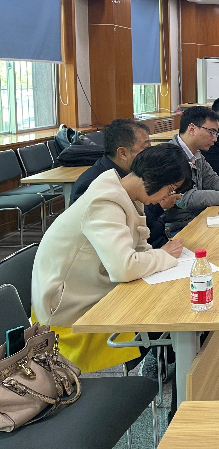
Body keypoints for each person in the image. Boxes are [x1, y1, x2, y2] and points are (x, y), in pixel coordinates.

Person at [30, 144, 191, 372]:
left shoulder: (127, 195)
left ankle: (169, 363)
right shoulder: (105, 202)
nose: (169, 196)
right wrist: (163, 255)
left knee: (170, 298)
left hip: (89, 283)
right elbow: (124, 267)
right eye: (170, 188)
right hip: (66, 304)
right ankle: (161, 364)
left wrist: (159, 256)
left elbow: (139, 248)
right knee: (168, 309)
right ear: (155, 178)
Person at [70, 119, 179, 248]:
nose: (150, 155)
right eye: (145, 149)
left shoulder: (132, 174)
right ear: (122, 153)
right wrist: (160, 205)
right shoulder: (94, 183)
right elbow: (112, 245)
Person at [164, 105, 219, 229]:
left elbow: (212, 180)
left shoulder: (196, 153)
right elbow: (186, 198)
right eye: (211, 132)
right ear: (192, 129)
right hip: (178, 226)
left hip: (197, 218)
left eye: (216, 133)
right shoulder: (170, 156)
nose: (215, 139)